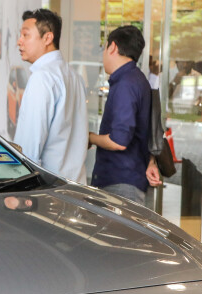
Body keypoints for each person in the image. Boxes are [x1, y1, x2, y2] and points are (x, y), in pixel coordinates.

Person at [13, 8, 88, 183]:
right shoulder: (73, 76)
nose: (19, 41)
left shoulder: (42, 77)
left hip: (49, 189)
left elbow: (29, 146)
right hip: (76, 184)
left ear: (47, 38)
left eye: (26, 35)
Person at [88, 25, 161, 204]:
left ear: (112, 47)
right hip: (129, 179)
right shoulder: (137, 79)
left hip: (120, 183)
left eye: (104, 48)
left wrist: (90, 137)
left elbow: (119, 141)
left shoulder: (125, 84)